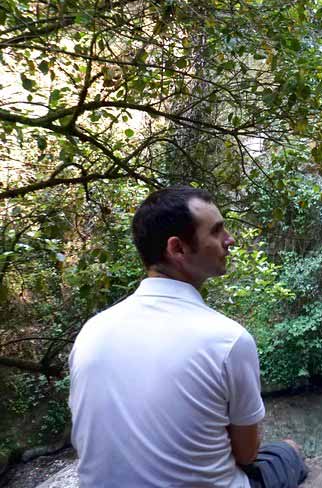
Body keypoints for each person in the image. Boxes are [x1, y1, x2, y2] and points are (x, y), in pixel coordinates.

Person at [68, 186, 307, 487]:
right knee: (286, 452)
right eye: (217, 231)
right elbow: (246, 455)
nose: (230, 240)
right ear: (177, 249)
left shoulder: (91, 332)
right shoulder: (227, 340)